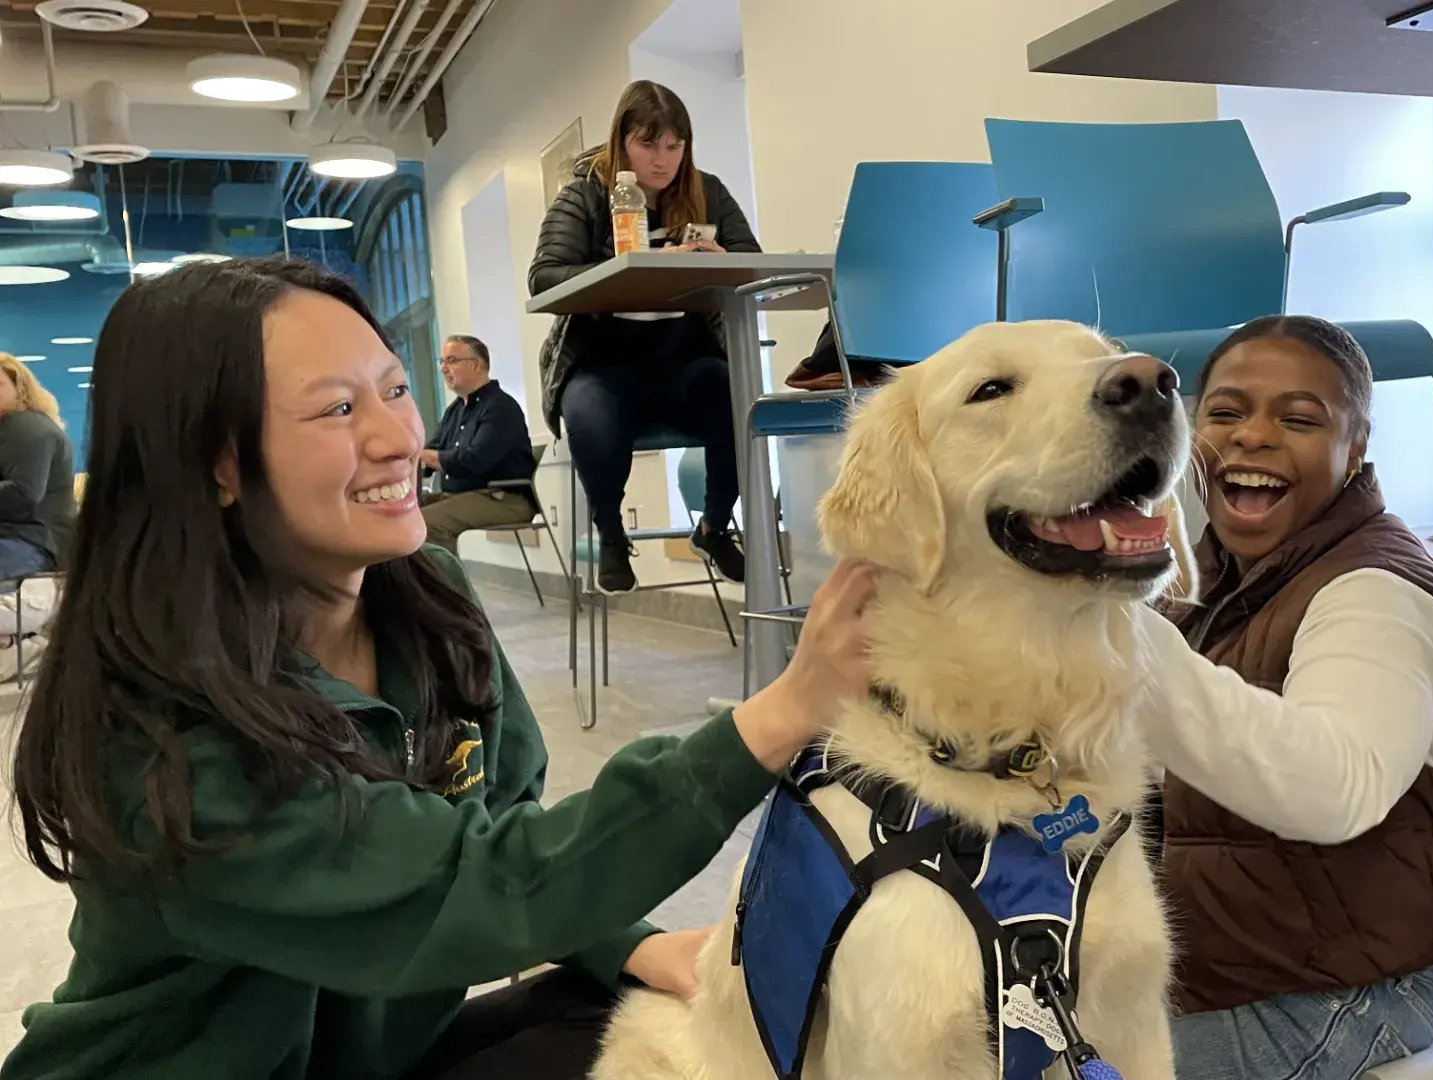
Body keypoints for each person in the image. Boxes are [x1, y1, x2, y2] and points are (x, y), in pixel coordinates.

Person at [3, 257, 877, 1080]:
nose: (397, 438)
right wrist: (785, 708)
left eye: (394, 388)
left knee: (658, 1023)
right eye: (337, 411)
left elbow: (501, 821)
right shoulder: (163, 733)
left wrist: (623, 942)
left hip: (387, 1057)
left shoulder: (424, 596)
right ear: (215, 461)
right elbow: (479, 884)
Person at [1134, 316, 1433, 1079]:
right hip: (1220, 966)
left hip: (1336, 993)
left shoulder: (1374, 595)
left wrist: (1119, 640)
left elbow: (1334, 791)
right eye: (1226, 412)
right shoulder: (1218, 574)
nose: (1254, 436)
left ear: (1356, 449)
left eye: (1299, 418)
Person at [530, 79, 759, 594]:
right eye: (648, 144)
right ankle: (611, 535)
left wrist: (725, 262)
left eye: (674, 146)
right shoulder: (586, 193)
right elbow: (544, 277)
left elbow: (754, 265)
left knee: (736, 394)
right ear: (622, 142)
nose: (662, 160)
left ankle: (714, 527)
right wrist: (632, 267)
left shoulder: (708, 191)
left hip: (685, 362)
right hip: (603, 364)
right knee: (587, 413)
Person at [419, 334, 539, 553]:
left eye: (451, 360)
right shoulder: (454, 411)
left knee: (426, 523)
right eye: (442, 361)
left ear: (475, 364)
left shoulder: (500, 407)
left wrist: (424, 456)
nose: (443, 368)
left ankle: (448, 588)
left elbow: (474, 461)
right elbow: (430, 453)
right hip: (463, 497)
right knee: (401, 514)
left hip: (503, 499)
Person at [0, 352, 75, 679]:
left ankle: (28, 645)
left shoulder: (25, 425)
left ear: (21, 388)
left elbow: (22, 495)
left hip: (32, 543)